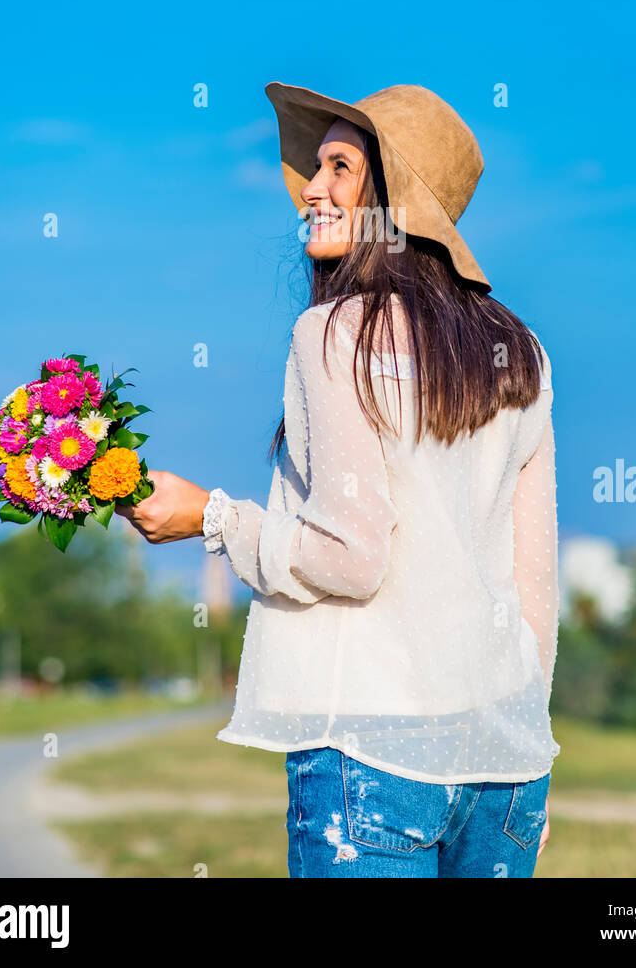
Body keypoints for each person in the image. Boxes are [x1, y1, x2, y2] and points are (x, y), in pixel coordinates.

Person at [116, 81, 560, 879]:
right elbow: (534, 585)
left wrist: (207, 519)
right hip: (505, 768)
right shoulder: (520, 354)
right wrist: (529, 742)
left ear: (394, 199)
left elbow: (351, 555)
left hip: (371, 753)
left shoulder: (333, 332)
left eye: (339, 168)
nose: (311, 190)